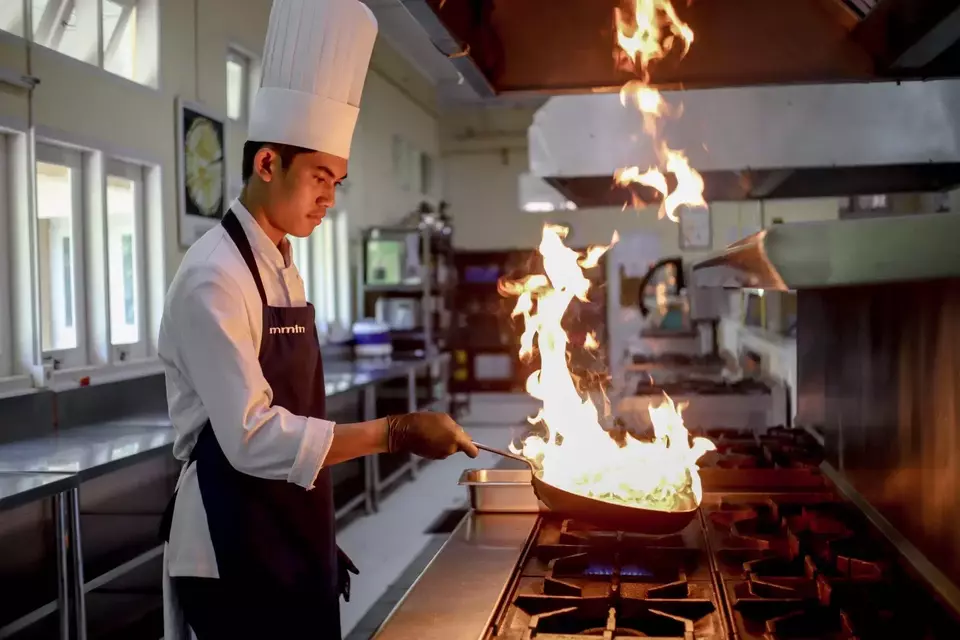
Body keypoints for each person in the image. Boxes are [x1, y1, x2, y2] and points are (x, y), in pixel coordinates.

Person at [157, 1, 478, 637]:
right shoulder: (212, 276)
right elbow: (251, 438)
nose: (331, 197)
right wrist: (396, 431)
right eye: (320, 177)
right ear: (267, 163)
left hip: (290, 523)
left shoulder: (280, 261)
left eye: (340, 180)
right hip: (232, 542)